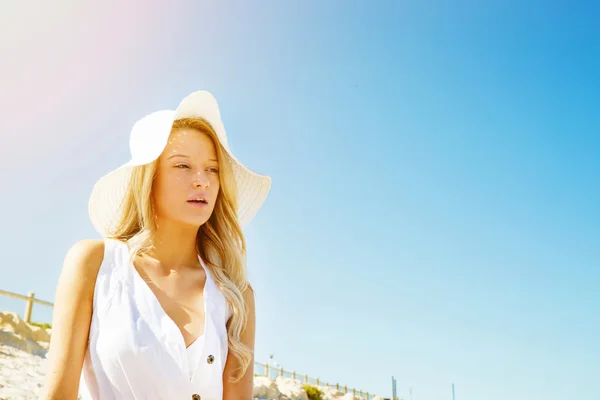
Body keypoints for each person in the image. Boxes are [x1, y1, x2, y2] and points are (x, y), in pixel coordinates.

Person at [39, 91, 272, 399]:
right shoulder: (94, 264)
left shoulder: (236, 295)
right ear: (149, 179)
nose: (202, 180)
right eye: (182, 166)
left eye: (212, 169)